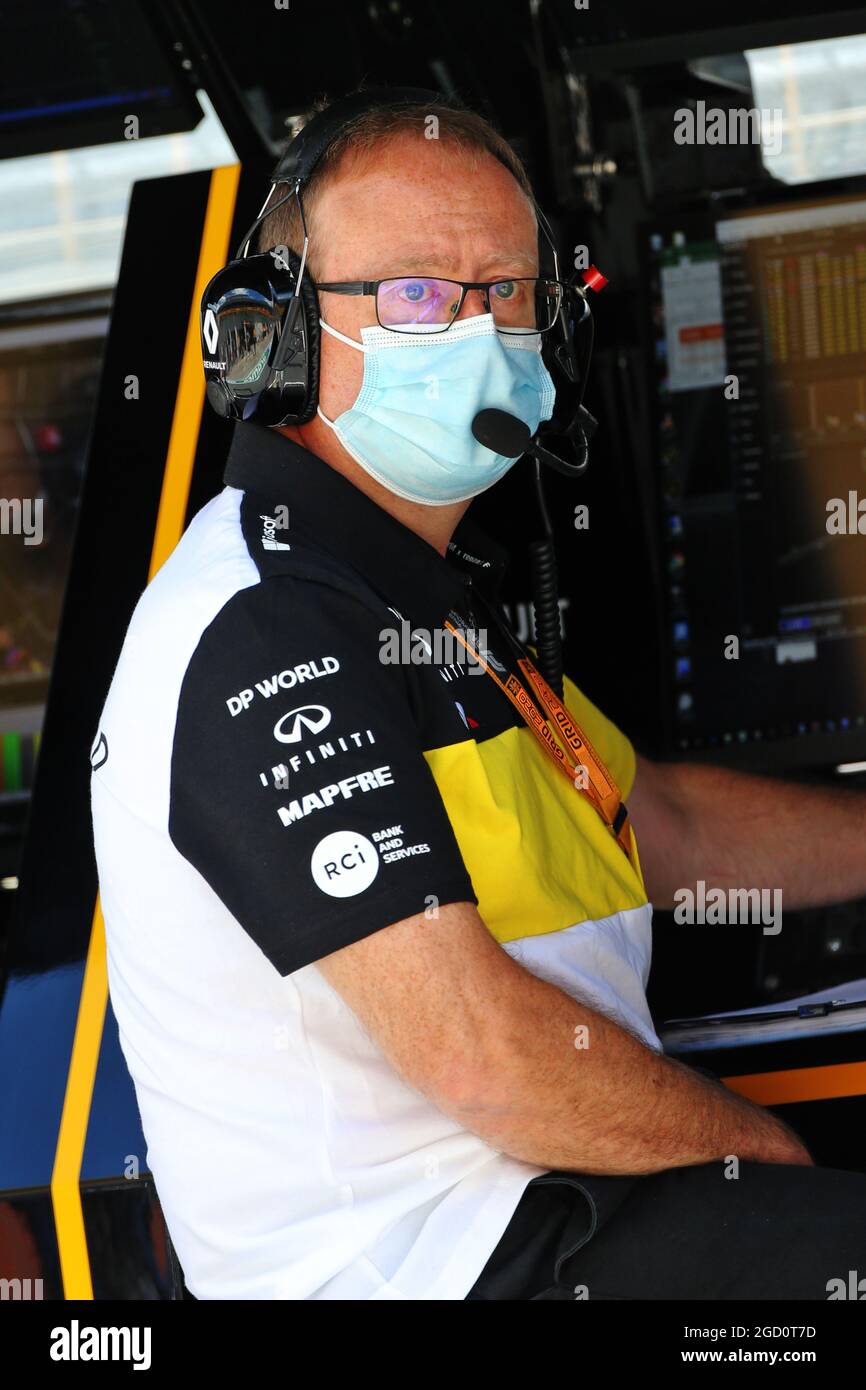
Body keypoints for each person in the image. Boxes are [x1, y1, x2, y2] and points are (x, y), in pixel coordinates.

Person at [90, 89, 866, 1301]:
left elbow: (660, 823)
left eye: (503, 290)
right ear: (279, 336)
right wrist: (759, 1161)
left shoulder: (410, 594)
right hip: (424, 1261)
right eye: (409, 292)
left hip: (524, 1209)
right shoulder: (263, 623)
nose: (471, 327)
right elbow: (482, 1057)